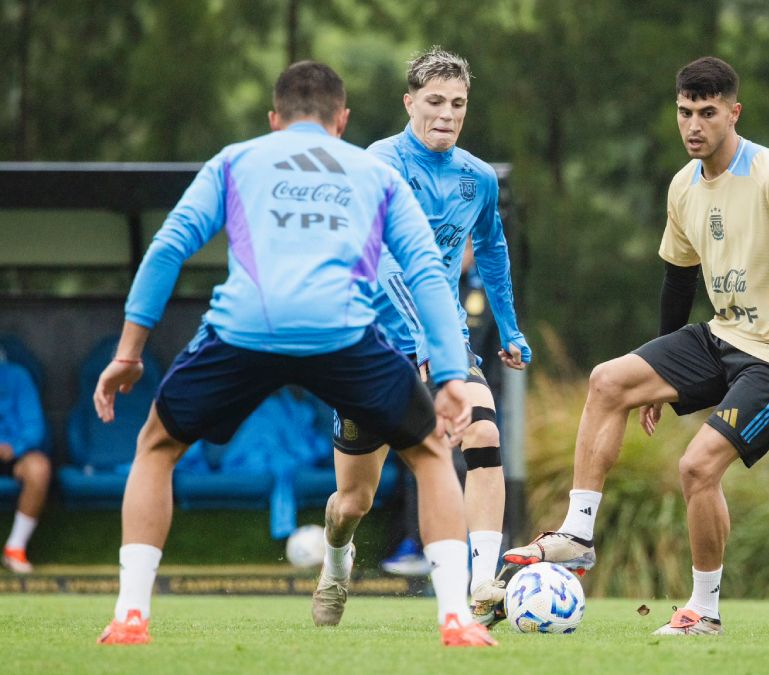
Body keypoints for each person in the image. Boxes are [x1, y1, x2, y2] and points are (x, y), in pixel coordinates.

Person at [499, 57, 769, 635]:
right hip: (724, 334)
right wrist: (655, 378)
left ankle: (705, 610)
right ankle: (577, 535)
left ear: (734, 112)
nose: (694, 125)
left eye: (707, 113)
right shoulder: (683, 186)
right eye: (684, 112)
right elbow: (678, 279)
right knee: (609, 380)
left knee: (697, 467)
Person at [92, 61, 495, 647]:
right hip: (342, 336)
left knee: (157, 444)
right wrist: (453, 373)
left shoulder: (235, 160)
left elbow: (168, 247)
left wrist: (129, 353)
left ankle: (130, 616)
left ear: (274, 120)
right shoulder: (373, 171)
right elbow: (428, 271)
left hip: (244, 331)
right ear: (343, 120)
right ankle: (456, 618)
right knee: (432, 454)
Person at [365, 47, 531, 614]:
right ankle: (337, 558)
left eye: (458, 104)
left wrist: (509, 328)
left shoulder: (477, 178)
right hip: (375, 341)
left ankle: (483, 582)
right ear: (410, 102)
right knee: (354, 496)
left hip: (447, 338)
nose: (447, 113)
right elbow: (385, 264)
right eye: (435, 101)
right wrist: (424, 342)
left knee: (483, 435)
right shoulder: (378, 164)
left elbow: (492, 252)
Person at [0, 348, 51, 574]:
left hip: (14, 456)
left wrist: (13, 447)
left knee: (39, 468)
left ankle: (15, 547)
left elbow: (34, 428)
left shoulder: (17, 376)